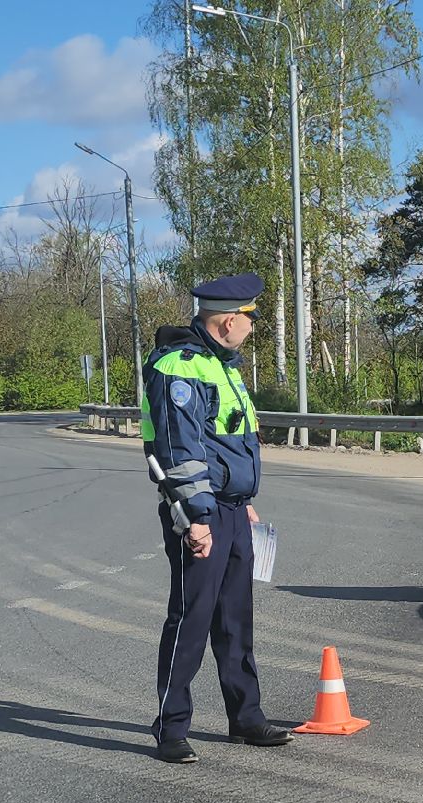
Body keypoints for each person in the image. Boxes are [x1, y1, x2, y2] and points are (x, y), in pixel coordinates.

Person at [141, 273, 293, 764]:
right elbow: (179, 451)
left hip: (229, 510)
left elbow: (226, 443)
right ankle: (171, 728)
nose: (252, 328)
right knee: (191, 618)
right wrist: (197, 516)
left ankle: (245, 717)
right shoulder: (180, 367)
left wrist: (240, 498)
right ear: (229, 320)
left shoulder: (219, 365)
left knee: (234, 620)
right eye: (250, 320)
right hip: (199, 514)